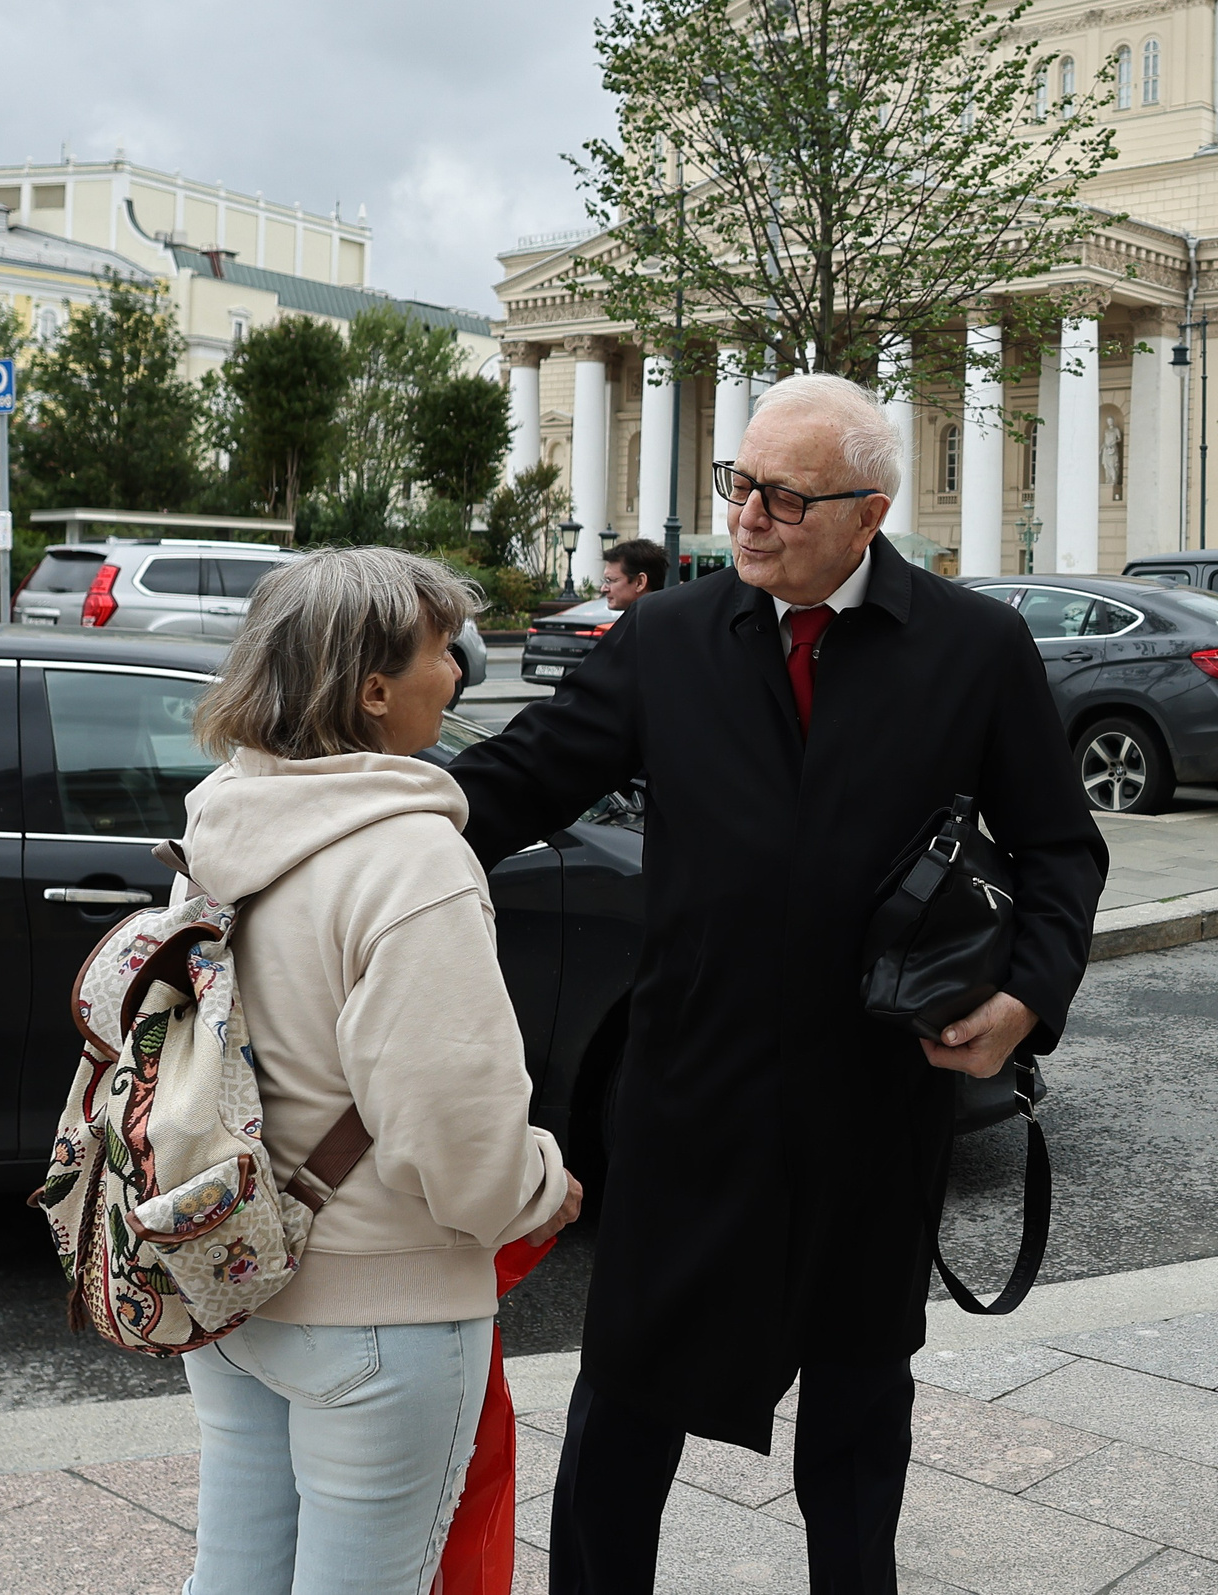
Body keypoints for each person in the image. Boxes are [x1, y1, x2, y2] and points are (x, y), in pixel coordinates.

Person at [450, 373, 1106, 1595]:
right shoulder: (665, 637)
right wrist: (344, 819)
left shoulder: (973, 647)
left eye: (785, 498)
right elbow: (515, 782)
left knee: (857, 1419)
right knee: (623, 1410)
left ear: (871, 514)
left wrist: (1026, 997)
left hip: (874, 1103)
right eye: (739, 484)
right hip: (689, 1096)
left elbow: (1060, 849)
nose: (746, 517)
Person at [177, 546, 583, 1595]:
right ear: (372, 689)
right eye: (442, 649)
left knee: (237, 1575)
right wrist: (542, 1186)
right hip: (379, 1309)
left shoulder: (222, 814)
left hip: (232, 1277)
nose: (457, 672)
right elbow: (455, 1127)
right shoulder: (411, 857)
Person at [598, 538, 666, 614]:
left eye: (611, 580)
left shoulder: (648, 620)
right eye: (606, 581)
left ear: (640, 583)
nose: (603, 589)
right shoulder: (661, 617)